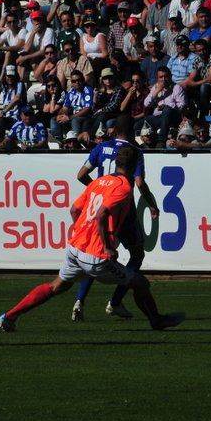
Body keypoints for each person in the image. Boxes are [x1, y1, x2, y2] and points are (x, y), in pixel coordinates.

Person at [0, 145, 183, 333]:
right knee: (141, 283)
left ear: (116, 163)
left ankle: (9, 316)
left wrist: (82, 232)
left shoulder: (99, 182)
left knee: (56, 286)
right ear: (135, 165)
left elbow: (74, 210)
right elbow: (102, 214)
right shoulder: (124, 188)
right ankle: (156, 321)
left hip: (75, 249)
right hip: (96, 256)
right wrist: (108, 246)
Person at [71, 115, 160, 322]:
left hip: (102, 209)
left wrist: (99, 190)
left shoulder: (101, 148)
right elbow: (139, 183)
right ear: (131, 132)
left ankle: (79, 301)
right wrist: (152, 204)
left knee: (96, 255)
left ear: (113, 130)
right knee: (136, 255)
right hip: (123, 211)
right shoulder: (134, 152)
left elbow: (80, 175)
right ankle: (115, 302)